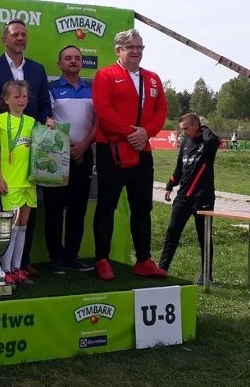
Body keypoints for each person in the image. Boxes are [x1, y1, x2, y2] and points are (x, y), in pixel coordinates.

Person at [0, 19, 53, 275]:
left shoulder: (38, 69)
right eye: (14, 35)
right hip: (7, 161)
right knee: (6, 221)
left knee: (25, 219)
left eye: (23, 34)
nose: (20, 38)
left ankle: (22, 263)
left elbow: (44, 104)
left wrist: (43, 131)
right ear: (4, 39)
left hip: (30, 158)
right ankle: (1, 267)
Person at [92, 28, 168, 281]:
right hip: (112, 149)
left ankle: (143, 259)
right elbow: (104, 110)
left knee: (142, 207)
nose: (136, 52)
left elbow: (161, 110)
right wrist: (130, 133)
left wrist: (146, 133)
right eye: (130, 47)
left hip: (142, 151)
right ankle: (102, 259)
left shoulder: (154, 78)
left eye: (139, 47)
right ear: (118, 50)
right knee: (107, 205)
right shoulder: (105, 75)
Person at [42, 45, 96, 274]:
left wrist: (84, 146)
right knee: (54, 209)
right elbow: (46, 120)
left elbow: (98, 122)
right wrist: (66, 145)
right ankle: (55, 257)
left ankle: (72, 256)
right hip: (57, 154)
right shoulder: (51, 88)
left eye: (77, 58)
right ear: (59, 64)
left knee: (78, 208)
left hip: (84, 154)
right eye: (68, 58)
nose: (73, 61)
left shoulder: (92, 88)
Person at [159, 113, 220, 284]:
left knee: (204, 236)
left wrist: (204, 128)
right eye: (182, 129)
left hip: (203, 198)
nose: (183, 133)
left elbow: (215, 140)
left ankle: (206, 274)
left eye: (186, 128)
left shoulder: (208, 144)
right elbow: (179, 168)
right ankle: (162, 268)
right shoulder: (185, 143)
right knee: (172, 231)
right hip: (183, 198)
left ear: (196, 126)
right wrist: (170, 185)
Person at [0, 81, 36, 286]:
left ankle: (17, 268)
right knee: (11, 227)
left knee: (23, 225)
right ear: (6, 99)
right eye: (16, 97)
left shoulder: (32, 122)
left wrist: (51, 128)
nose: (21, 101)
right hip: (10, 181)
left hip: (29, 182)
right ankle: (5, 269)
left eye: (24, 96)